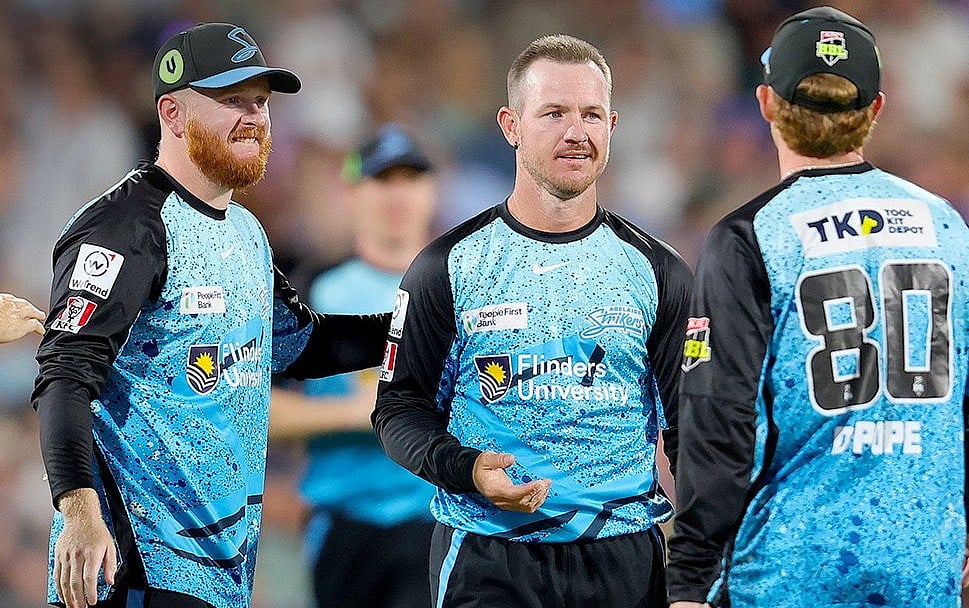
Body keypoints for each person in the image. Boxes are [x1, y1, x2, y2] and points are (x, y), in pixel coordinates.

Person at [665, 7, 969, 608]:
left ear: (767, 104)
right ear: (876, 109)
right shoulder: (946, 226)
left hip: (784, 575)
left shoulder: (751, 238)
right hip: (919, 572)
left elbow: (717, 419)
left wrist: (689, 576)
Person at [33, 23, 389, 608]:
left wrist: (422, 324)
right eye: (230, 101)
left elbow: (298, 345)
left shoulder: (246, 232)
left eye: (260, 101)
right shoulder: (128, 227)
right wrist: (78, 511)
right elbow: (64, 378)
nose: (253, 116)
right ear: (172, 114)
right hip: (133, 567)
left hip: (218, 573)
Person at [373, 34, 692, 608]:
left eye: (592, 114)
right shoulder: (446, 268)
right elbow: (398, 411)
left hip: (622, 560)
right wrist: (468, 471)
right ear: (511, 125)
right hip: (488, 555)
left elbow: (693, 431)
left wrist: (699, 568)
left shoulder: (659, 271)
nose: (577, 132)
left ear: (613, 124)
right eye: (554, 114)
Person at [269, 123, 438, 608]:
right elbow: (252, 409)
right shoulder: (310, 294)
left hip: (434, 521)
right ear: (351, 193)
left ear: (432, 191)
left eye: (411, 179)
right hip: (342, 525)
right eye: (383, 180)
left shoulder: (464, 291)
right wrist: (357, 414)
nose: (397, 195)